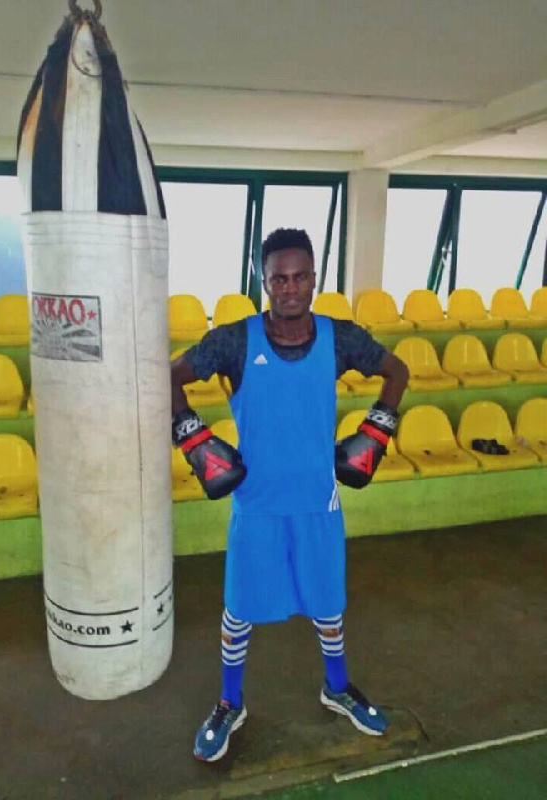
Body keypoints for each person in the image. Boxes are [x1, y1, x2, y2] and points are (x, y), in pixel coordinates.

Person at [170, 228, 409, 762]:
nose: (291, 287)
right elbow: (171, 378)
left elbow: (397, 370)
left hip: (318, 503)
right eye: (279, 277)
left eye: (300, 276)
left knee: (328, 608)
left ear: (315, 279)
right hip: (255, 504)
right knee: (239, 610)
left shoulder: (340, 336)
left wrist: (377, 431)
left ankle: (338, 688)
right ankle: (229, 703)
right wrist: (193, 437)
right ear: (264, 280)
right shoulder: (234, 340)